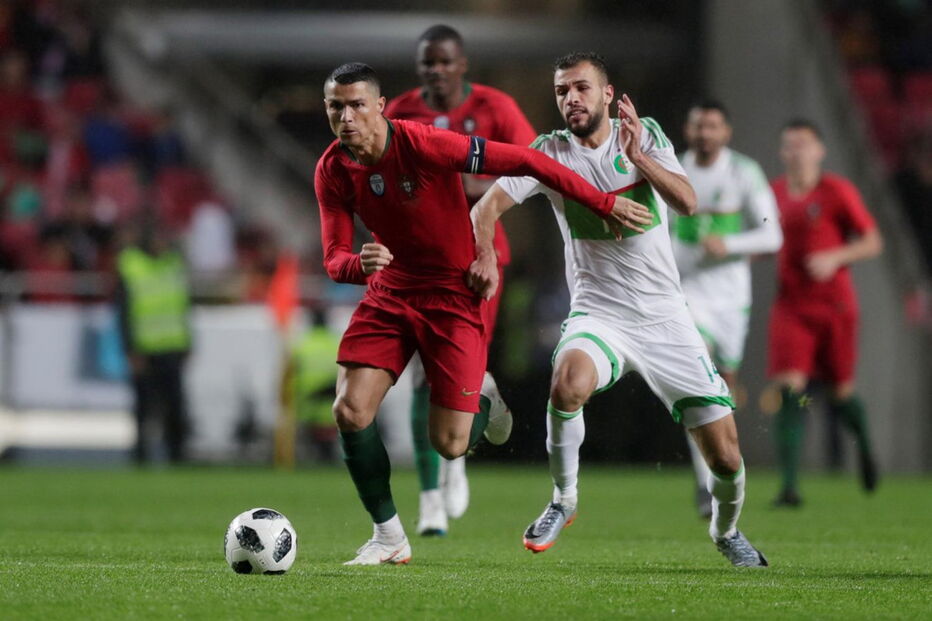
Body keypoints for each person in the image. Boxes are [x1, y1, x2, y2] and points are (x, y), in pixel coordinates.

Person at [315, 62, 647, 566]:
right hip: (389, 294)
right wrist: (358, 264)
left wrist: (602, 202)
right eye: (336, 106)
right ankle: (387, 537)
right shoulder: (332, 169)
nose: (347, 117)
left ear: (380, 107)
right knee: (349, 409)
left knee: (449, 445)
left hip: (452, 295)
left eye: (357, 104)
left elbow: (529, 162)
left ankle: (485, 394)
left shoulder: (425, 144)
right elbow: (334, 255)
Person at [469, 52, 768, 567]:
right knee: (567, 382)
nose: (571, 99)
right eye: (562, 91)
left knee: (726, 456)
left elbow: (688, 202)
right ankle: (563, 500)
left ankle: (727, 531)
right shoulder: (549, 152)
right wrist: (485, 256)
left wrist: (641, 159)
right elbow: (484, 208)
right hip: (599, 314)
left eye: (582, 88)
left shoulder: (645, 134)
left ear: (607, 94)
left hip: (666, 319)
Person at [384, 24, 538, 536]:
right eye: (428, 61)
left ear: (462, 64)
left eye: (446, 61)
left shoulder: (495, 107)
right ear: (419, 66)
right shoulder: (401, 110)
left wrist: (475, 183)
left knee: (460, 376)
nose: (437, 70)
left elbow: (535, 162)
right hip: (417, 260)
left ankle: (455, 460)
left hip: (480, 258)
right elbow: (375, 172)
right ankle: (429, 500)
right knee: (421, 378)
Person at [673, 100, 783, 517]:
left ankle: (724, 466)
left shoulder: (744, 172)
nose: (705, 133)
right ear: (688, 130)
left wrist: (730, 245)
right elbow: (659, 229)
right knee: (697, 378)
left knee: (725, 386)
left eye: (713, 126)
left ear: (726, 132)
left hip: (731, 297)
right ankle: (705, 482)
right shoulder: (674, 167)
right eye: (698, 125)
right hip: (686, 294)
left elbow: (772, 237)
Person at [768, 119, 883, 507]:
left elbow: (871, 241)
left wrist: (836, 256)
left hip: (835, 308)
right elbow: (762, 235)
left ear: (820, 150)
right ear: (783, 153)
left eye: (804, 144)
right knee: (791, 392)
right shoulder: (774, 194)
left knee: (839, 394)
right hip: (792, 306)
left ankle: (864, 443)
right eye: (790, 144)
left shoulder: (837, 191)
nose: (796, 151)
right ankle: (789, 486)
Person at [115, 216, 192, 464]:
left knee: (175, 407)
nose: (162, 243)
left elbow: (182, 307)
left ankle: (177, 456)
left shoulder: (174, 264)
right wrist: (130, 348)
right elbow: (123, 312)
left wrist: (189, 342)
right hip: (144, 351)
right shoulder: (131, 265)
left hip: (172, 348)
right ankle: (141, 457)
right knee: (144, 409)